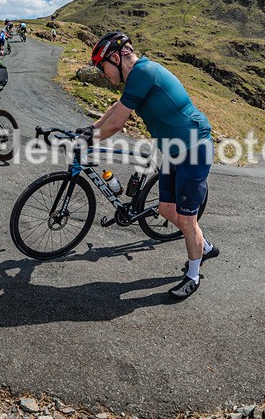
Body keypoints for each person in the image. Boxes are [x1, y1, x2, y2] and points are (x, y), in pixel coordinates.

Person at [78, 32, 216, 300]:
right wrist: (90, 129)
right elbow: (118, 107)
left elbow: (117, 124)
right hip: (174, 151)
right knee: (165, 209)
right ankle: (204, 245)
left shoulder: (143, 72)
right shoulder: (136, 77)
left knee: (187, 221)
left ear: (116, 58)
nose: (104, 74)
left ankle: (193, 274)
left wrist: (89, 140)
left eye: (103, 67)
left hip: (195, 148)